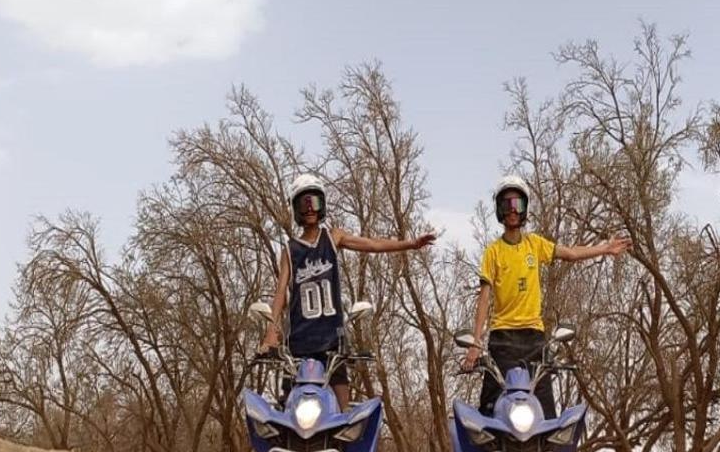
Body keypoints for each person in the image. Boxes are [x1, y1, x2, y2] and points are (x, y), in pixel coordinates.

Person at [260, 174, 437, 409]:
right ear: (296, 209)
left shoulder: (334, 237)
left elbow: (372, 245)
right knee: (287, 410)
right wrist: (271, 332)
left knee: (342, 412)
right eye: (305, 203)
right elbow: (281, 292)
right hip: (299, 347)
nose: (310, 208)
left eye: (315, 202)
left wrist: (410, 244)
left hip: (332, 345)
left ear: (322, 204)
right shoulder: (290, 251)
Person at [461, 175, 630, 417]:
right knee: (488, 409)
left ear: (524, 209)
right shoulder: (493, 252)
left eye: (517, 204)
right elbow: (484, 299)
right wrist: (475, 344)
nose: (512, 211)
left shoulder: (535, 244)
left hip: (534, 341)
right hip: (502, 341)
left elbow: (570, 253)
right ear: (499, 209)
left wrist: (605, 248)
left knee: (547, 415)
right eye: (506, 204)